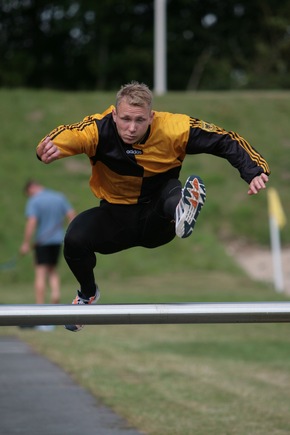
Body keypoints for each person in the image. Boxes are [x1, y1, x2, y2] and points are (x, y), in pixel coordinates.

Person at [35, 81, 270, 332]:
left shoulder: (174, 128)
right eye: (125, 119)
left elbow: (224, 139)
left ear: (152, 117)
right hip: (116, 218)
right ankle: (88, 294)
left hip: (158, 218)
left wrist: (254, 170)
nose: (132, 128)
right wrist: (46, 148)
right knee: (74, 238)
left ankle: (182, 210)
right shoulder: (97, 129)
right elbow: (68, 133)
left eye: (140, 120)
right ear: (114, 114)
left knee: (169, 188)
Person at [20, 180, 76, 308]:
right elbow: (72, 215)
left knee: (40, 272)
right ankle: (55, 293)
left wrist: (26, 243)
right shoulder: (59, 197)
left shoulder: (34, 201)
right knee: (52, 270)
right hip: (57, 240)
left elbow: (32, 222)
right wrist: (71, 235)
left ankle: (40, 308)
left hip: (42, 241)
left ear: (31, 189)